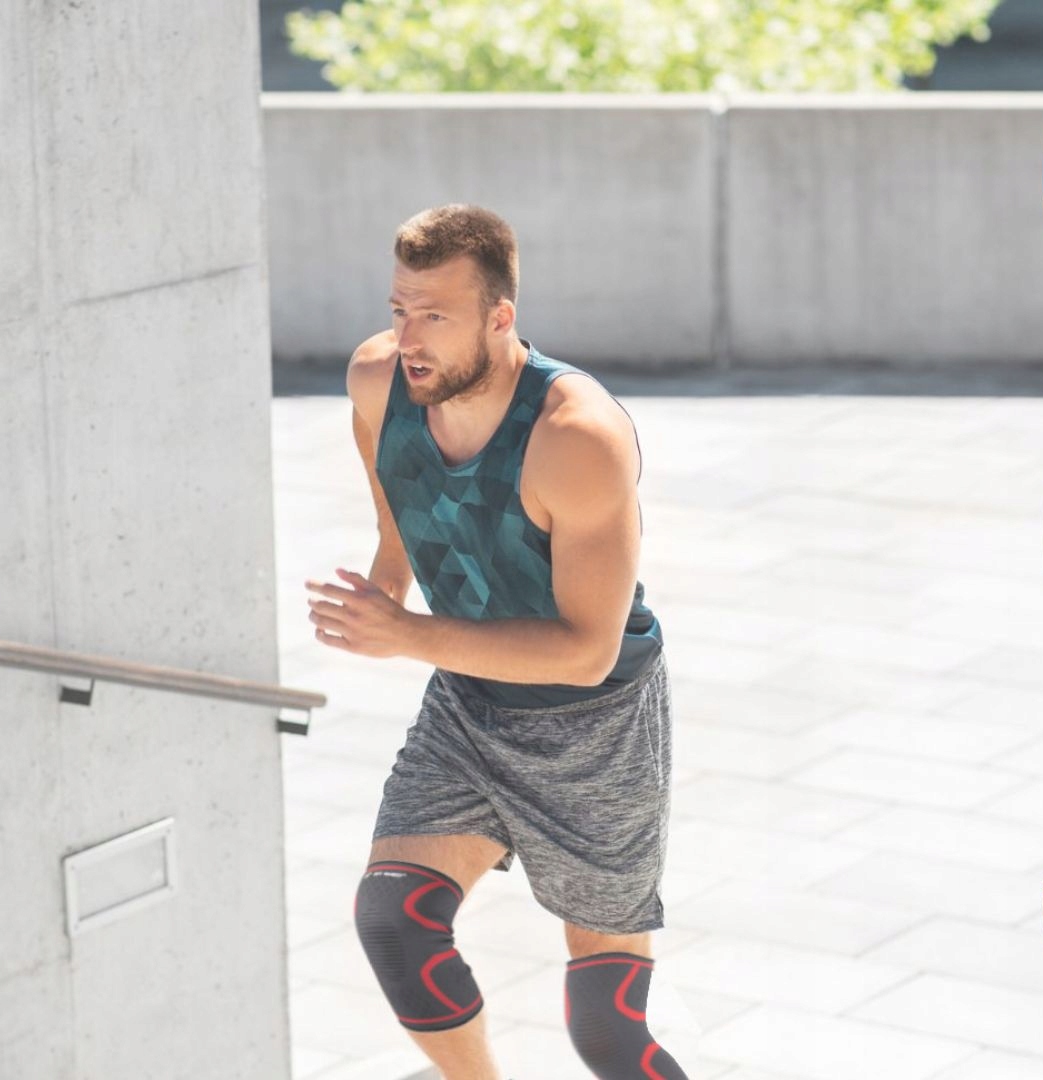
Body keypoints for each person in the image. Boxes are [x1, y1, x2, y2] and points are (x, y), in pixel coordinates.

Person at [308, 204, 682, 1079]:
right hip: (468, 701)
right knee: (394, 921)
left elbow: (586, 652)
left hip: (596, 727)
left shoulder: (576, 438)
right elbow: (388, 470)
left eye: (435, 316)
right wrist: (390, 571)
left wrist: (406, 634)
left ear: (499, 317)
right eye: (400, 309)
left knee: (607, 1031)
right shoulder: (379, 380)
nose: (409, 338)